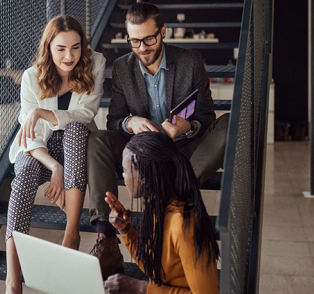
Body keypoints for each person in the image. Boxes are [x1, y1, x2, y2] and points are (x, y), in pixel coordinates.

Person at [88, 0, 229, 278]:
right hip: (142, 151)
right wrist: (131, 122)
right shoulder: (121, 67)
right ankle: (106, 238)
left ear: (163, 31)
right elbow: (113, 122)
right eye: (135, 41)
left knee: (228, 124)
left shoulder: (190, 61)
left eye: (149, 39)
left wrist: (188, 126)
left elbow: (207, 118)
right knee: (98, 140)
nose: (142, 48)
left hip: (184, 150)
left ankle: (176, 189)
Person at [3, 15, 106, 294]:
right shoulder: (30, 77)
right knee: (23, 178)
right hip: (40, 149)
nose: (69, 56)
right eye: (60, 49)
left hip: (76, 140)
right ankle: (13, 281)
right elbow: (30, 138)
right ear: (48, 47)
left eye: (75, 47)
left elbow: (85, 115)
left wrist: (42, 114)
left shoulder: (95, 63)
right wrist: (54, 167)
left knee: (74, 131)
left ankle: (71, 234)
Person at [62, 132, 220, 294]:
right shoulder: (158, 207)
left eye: (125, 170)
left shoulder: (184, 225)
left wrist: (141, 288)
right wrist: (125, 230)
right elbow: (154, 268)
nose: (122, 175)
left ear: (143, 177)